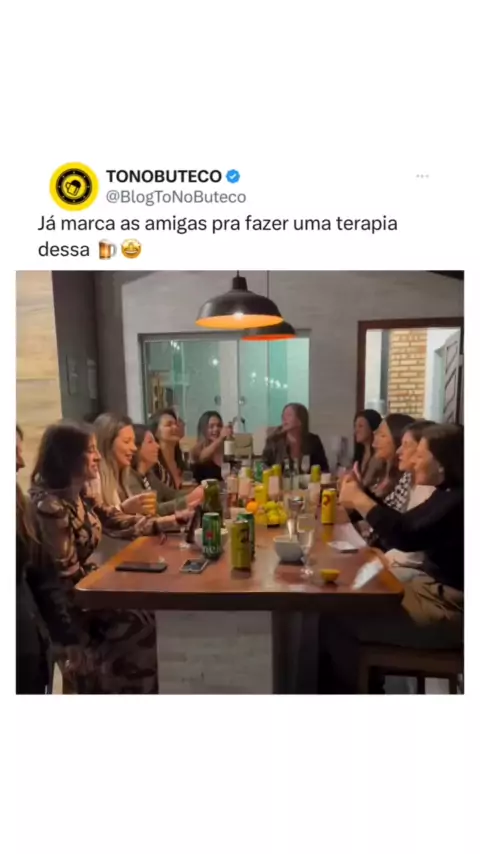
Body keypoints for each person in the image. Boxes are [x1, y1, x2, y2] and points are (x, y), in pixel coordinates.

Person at [29, 421, 179, 693]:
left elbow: (113, 519)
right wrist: (75, 638)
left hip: (87, 593)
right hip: (68, 612)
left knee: (145, 614)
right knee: (138, 623)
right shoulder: (49, 507)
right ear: (68, 457)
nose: (98, 457)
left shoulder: (79, 492)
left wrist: (170, 522)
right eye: (90, 450)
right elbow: (64, 581)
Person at [330, 423, 464, 692]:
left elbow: (405, 536)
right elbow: (404, 523)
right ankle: (367, 681)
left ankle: (357, 690)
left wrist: (359, 499)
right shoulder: (447, 491)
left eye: (420, 455)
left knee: (335, 620)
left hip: (448, 607)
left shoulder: (459, 500)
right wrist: (362, 496)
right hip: (429, 590)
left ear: (441, 463)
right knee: (348, 596)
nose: (412, 461)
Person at [16, 426, 86, 694]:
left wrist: (66, 637)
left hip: (28, 645)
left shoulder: (18, 505)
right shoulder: (44, 505)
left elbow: (41, 578)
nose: (21, 463)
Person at [128, 424, 204, 513]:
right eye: (150, 442)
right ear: (137, 448)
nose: (157, 446)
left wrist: (200, 490)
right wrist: (188, 499)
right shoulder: (130, 479)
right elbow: (155, 510)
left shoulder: (148, 475)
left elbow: (172, 494)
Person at [262, 403, 329, 472]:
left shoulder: (313, 441)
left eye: (289, 415)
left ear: (300, 420)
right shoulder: (274, 440)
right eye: (283, 415)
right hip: (279, 478)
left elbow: (324, 468)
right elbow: (263, 465)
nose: (284, 418)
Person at [190, 411, 233, 483]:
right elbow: (202, 457)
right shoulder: (196, 450)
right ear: (203, 429)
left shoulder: (226, 450)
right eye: (211, 426)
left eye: (219, 426)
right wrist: (220, 438)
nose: (216, 429)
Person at [149, 408, 185, 489]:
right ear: (156, 432)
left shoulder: (180, 462)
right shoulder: (153, 465)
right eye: (169, 425)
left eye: (176, 424)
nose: (175, 427)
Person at [352, 409, 383, 488]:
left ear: (373, 428)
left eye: (360, 426)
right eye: (355, 426)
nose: (356, 431)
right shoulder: (360, 454)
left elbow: (364, 484)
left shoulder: (379, 456)